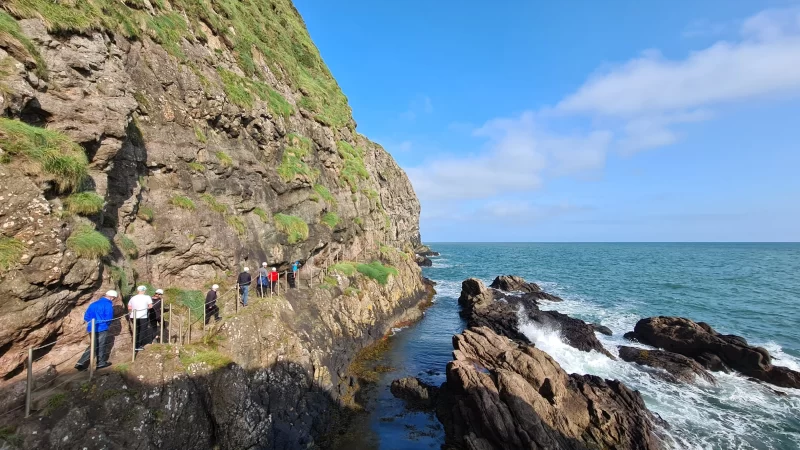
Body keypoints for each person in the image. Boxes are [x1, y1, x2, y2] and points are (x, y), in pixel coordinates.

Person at [75, 290, 117, 371]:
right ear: (112, 297)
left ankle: (80, 363)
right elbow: (109, 318)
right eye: (114, 298)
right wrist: (106, 325)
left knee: (93, 345)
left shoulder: (93, 304)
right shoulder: (108, 305)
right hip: (102, 327)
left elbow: (86, 317)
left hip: (91, 327)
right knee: (101, 345)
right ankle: (101, 363)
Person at [128, 285, 153, 351]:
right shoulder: (147, 297)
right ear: (144, 290)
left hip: (133, 316)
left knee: (136, 330)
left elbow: (129, 307)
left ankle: (135, 344)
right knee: (142, 330)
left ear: (137, 291)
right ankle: (138, 345)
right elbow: (150, 306)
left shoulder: (133, 298)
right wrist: (145, 308)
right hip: (143, 316)